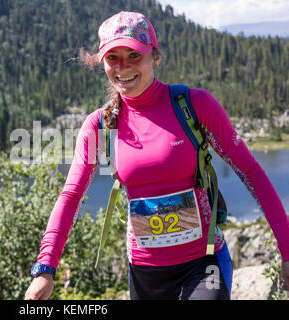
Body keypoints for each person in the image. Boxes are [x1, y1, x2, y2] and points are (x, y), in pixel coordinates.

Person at [24, 11, 289, 300]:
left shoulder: (195, 106)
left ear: (154, 57)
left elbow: (251, 173)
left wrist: (287, 250)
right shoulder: (100, 125)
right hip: (145, 274)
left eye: (134, 55)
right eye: (113, 58)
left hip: (203, 264)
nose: (122, 67)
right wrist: (45, 267)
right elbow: (72, 195)